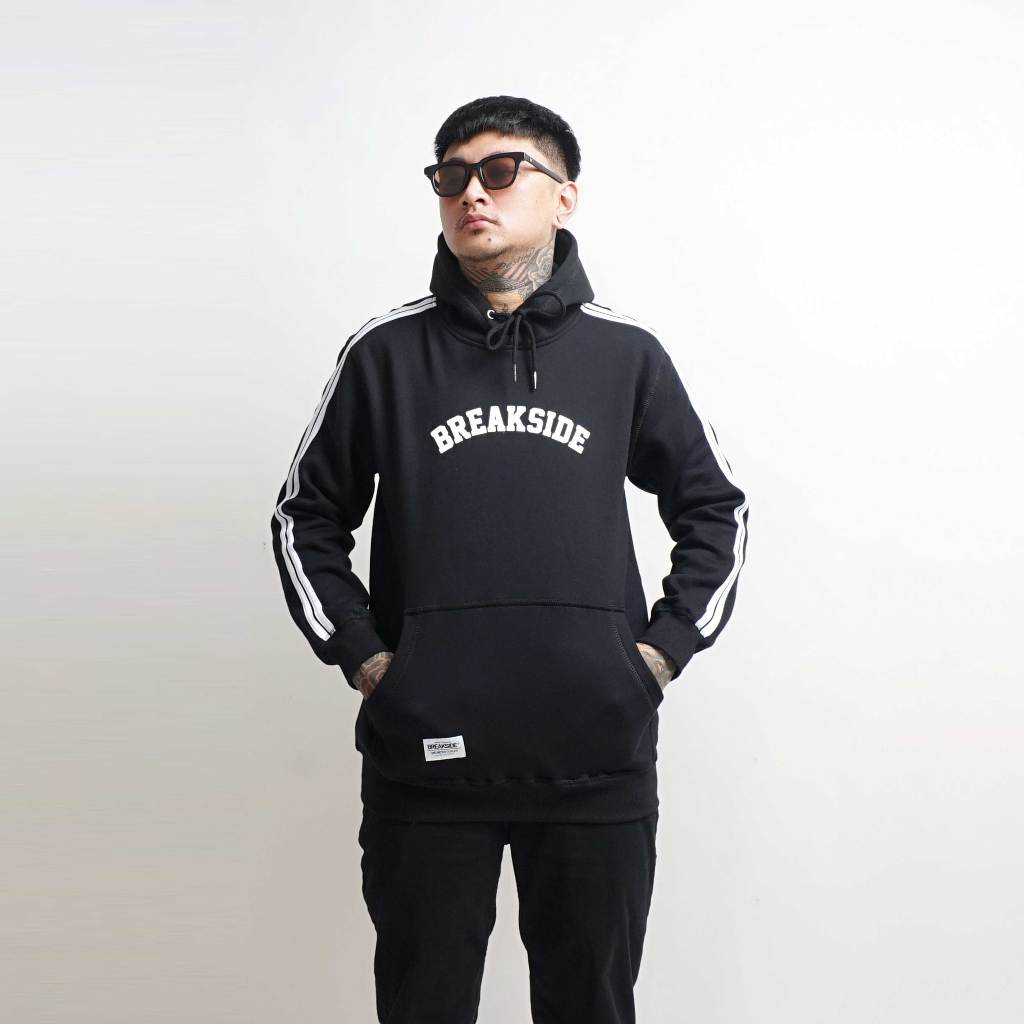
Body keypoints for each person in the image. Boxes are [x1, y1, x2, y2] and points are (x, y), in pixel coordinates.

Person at [269, 95, 750, 1024]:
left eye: (500, 171)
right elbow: (305, 517)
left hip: (595, 759)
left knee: (590, 1008)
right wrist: (368, 659)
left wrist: (656, 658)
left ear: (564, 197)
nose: (471, 194)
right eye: (451, 177)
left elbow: (716, 508)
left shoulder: (626, 355)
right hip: (425, 760)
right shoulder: (384, 355)